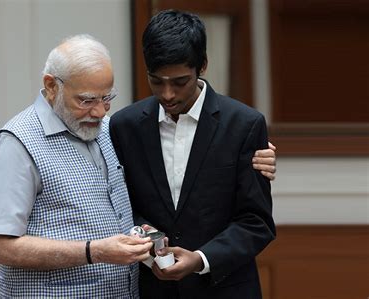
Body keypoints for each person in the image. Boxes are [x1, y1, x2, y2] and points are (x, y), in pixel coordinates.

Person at [109, 10, 276, 298]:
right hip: (151, 290)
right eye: (156, 81)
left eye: (179, 82)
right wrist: (146, 241)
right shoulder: (124, 126)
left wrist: (201, 259)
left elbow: (256, 222)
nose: (168, 94)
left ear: (203, 66)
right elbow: (118, 205)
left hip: (225, 289)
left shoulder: (245, 125)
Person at [0, 34, 154, 298]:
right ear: (51, 86)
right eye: (86, 100)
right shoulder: (17, 143)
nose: (99, 111)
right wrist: (93, 251)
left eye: (106, 98)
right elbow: (0, 247)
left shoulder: (108, 130)